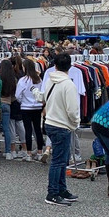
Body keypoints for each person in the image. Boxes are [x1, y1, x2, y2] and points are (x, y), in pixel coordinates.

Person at [42, 53, 81, 206]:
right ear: (70, 66)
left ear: (55, 66)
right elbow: (72, 110)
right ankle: (52, 193)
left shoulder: (50, 81)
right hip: (62, 125)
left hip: (51, 122)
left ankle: (61, 189)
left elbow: (44, 97)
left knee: (60, 160)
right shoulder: (69, 84)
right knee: (59, 161)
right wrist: (75, 122)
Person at [15, 58, 45, 161]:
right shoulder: (39, 79)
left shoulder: (23, 80)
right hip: (37, 106)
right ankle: (40, 152)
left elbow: (17, 95)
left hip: (26, 107)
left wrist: (23, 101)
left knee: (28, 130)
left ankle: (28, 154)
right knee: (37, 130)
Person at [0, 57, 19, 160]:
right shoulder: (13, 79)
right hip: (8, 104)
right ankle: (8, 151)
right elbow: (15, 96)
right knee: (7, 129)